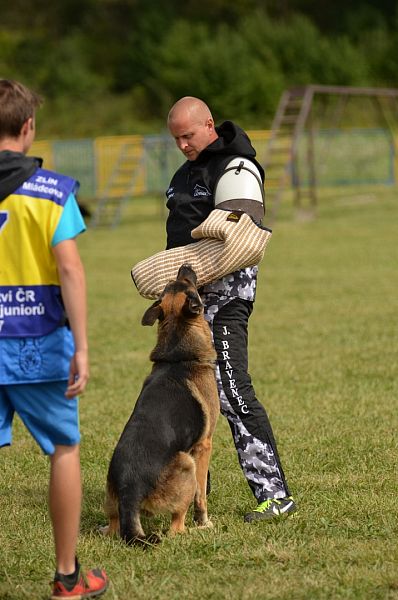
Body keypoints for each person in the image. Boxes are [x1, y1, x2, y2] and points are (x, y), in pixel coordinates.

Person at [0, 79, 108, 599]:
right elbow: (71, 269)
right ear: (28, 127)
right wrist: (82, 346)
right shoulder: (50, 190)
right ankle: (68, 577)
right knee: (63, 450)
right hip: (37, 342)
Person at [165, 96, 296, 522]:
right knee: (186, 398)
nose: (183, 145)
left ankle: (275, 496)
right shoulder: (184, 175)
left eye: (188, 135)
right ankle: (192, 495)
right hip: (188, 306)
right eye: (176, 139)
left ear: (208, 125)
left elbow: (241, 241)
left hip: (226, 299)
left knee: (233, 392)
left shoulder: (236, 168)